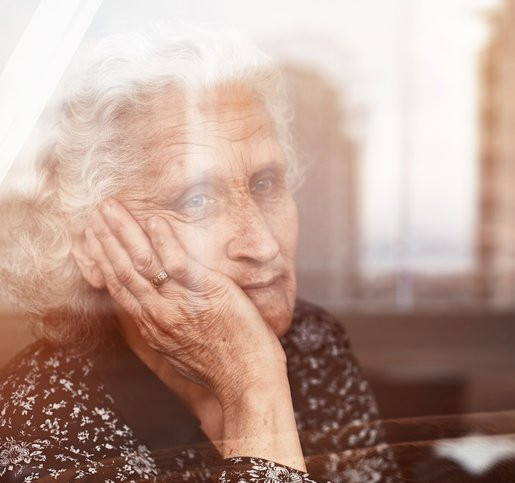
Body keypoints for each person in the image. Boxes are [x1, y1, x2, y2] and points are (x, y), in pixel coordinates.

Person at [0, 26, 396, 482]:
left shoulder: (313, 344)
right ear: (91, 244)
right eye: (196, 199)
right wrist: (254, 388)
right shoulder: (41, 428)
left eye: (265, 183)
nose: (263, 244)